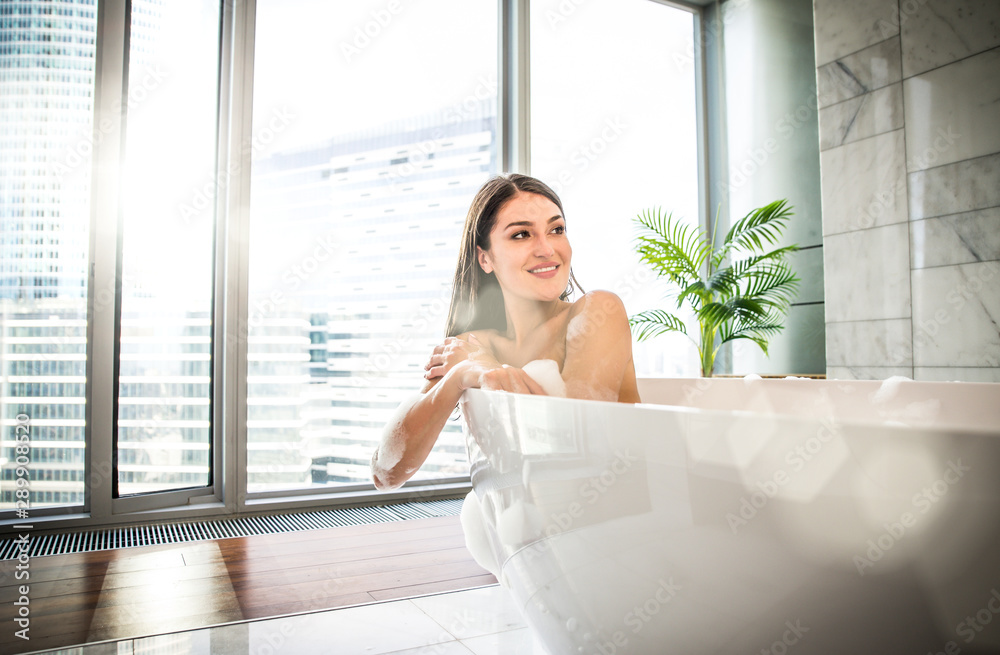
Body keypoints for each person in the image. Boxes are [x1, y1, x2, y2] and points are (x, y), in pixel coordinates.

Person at [371, 174, 640, 490]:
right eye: (522, 234)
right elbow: (385, 472)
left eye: (556, 230)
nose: (546, 249)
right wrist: (462, 374)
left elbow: (578, 459)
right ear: (485, 258)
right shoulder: (467, 349)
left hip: (612, 521)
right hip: (526, 529)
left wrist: (488, 368)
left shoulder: (596, 313)